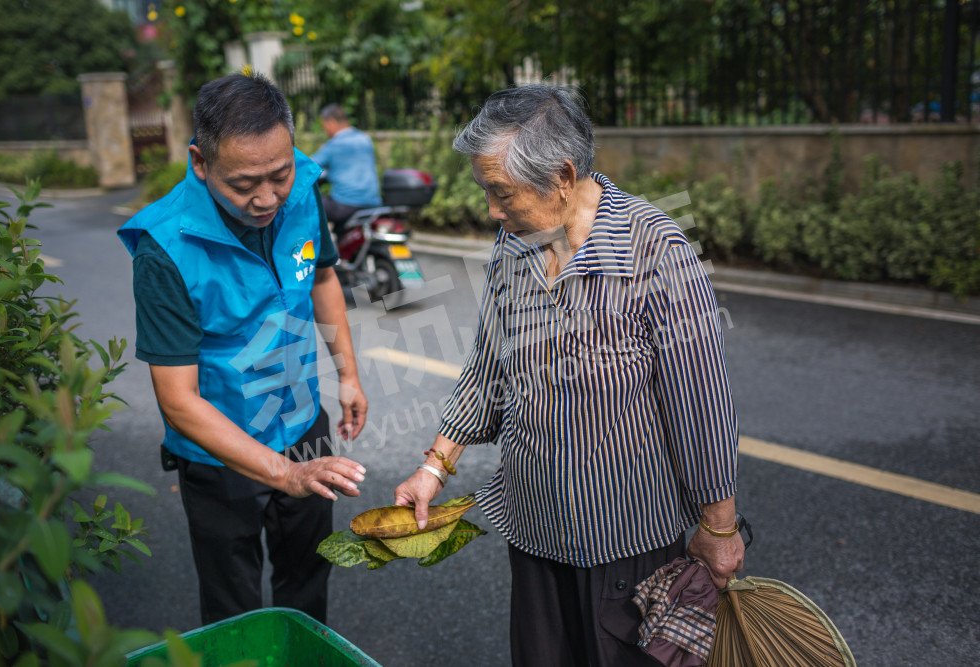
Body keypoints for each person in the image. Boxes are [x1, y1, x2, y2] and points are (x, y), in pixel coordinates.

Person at [394, 85, 745, 666]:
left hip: (625, 539)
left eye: (501, 193)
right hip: (535, 529)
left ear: (562, 175)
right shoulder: (516, 244)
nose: (492, 211)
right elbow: (488, 366)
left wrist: (721, 526)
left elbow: (700, 402)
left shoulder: (655, 250)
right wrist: (434, 468)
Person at [117, 72, 368, 625]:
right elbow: (179, 401)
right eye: (243, 184)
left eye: (278, 174)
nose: (267, 198)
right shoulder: (164, 249)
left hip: (302, 426)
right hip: (219, 456)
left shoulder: (302, 191)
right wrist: (283, 475)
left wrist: (346, 375)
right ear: (200, 163)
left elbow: (322, 279)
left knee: (307, 582)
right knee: (233, 608)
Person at [310, 103, 382, 226]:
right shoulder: (365, 139)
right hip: (373, 203)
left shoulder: (334, 145)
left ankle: (317, 244)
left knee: (308, 203)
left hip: (346, 205)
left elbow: (308, 166)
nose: (325, 130)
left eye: (324, 126)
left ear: (331, 122)